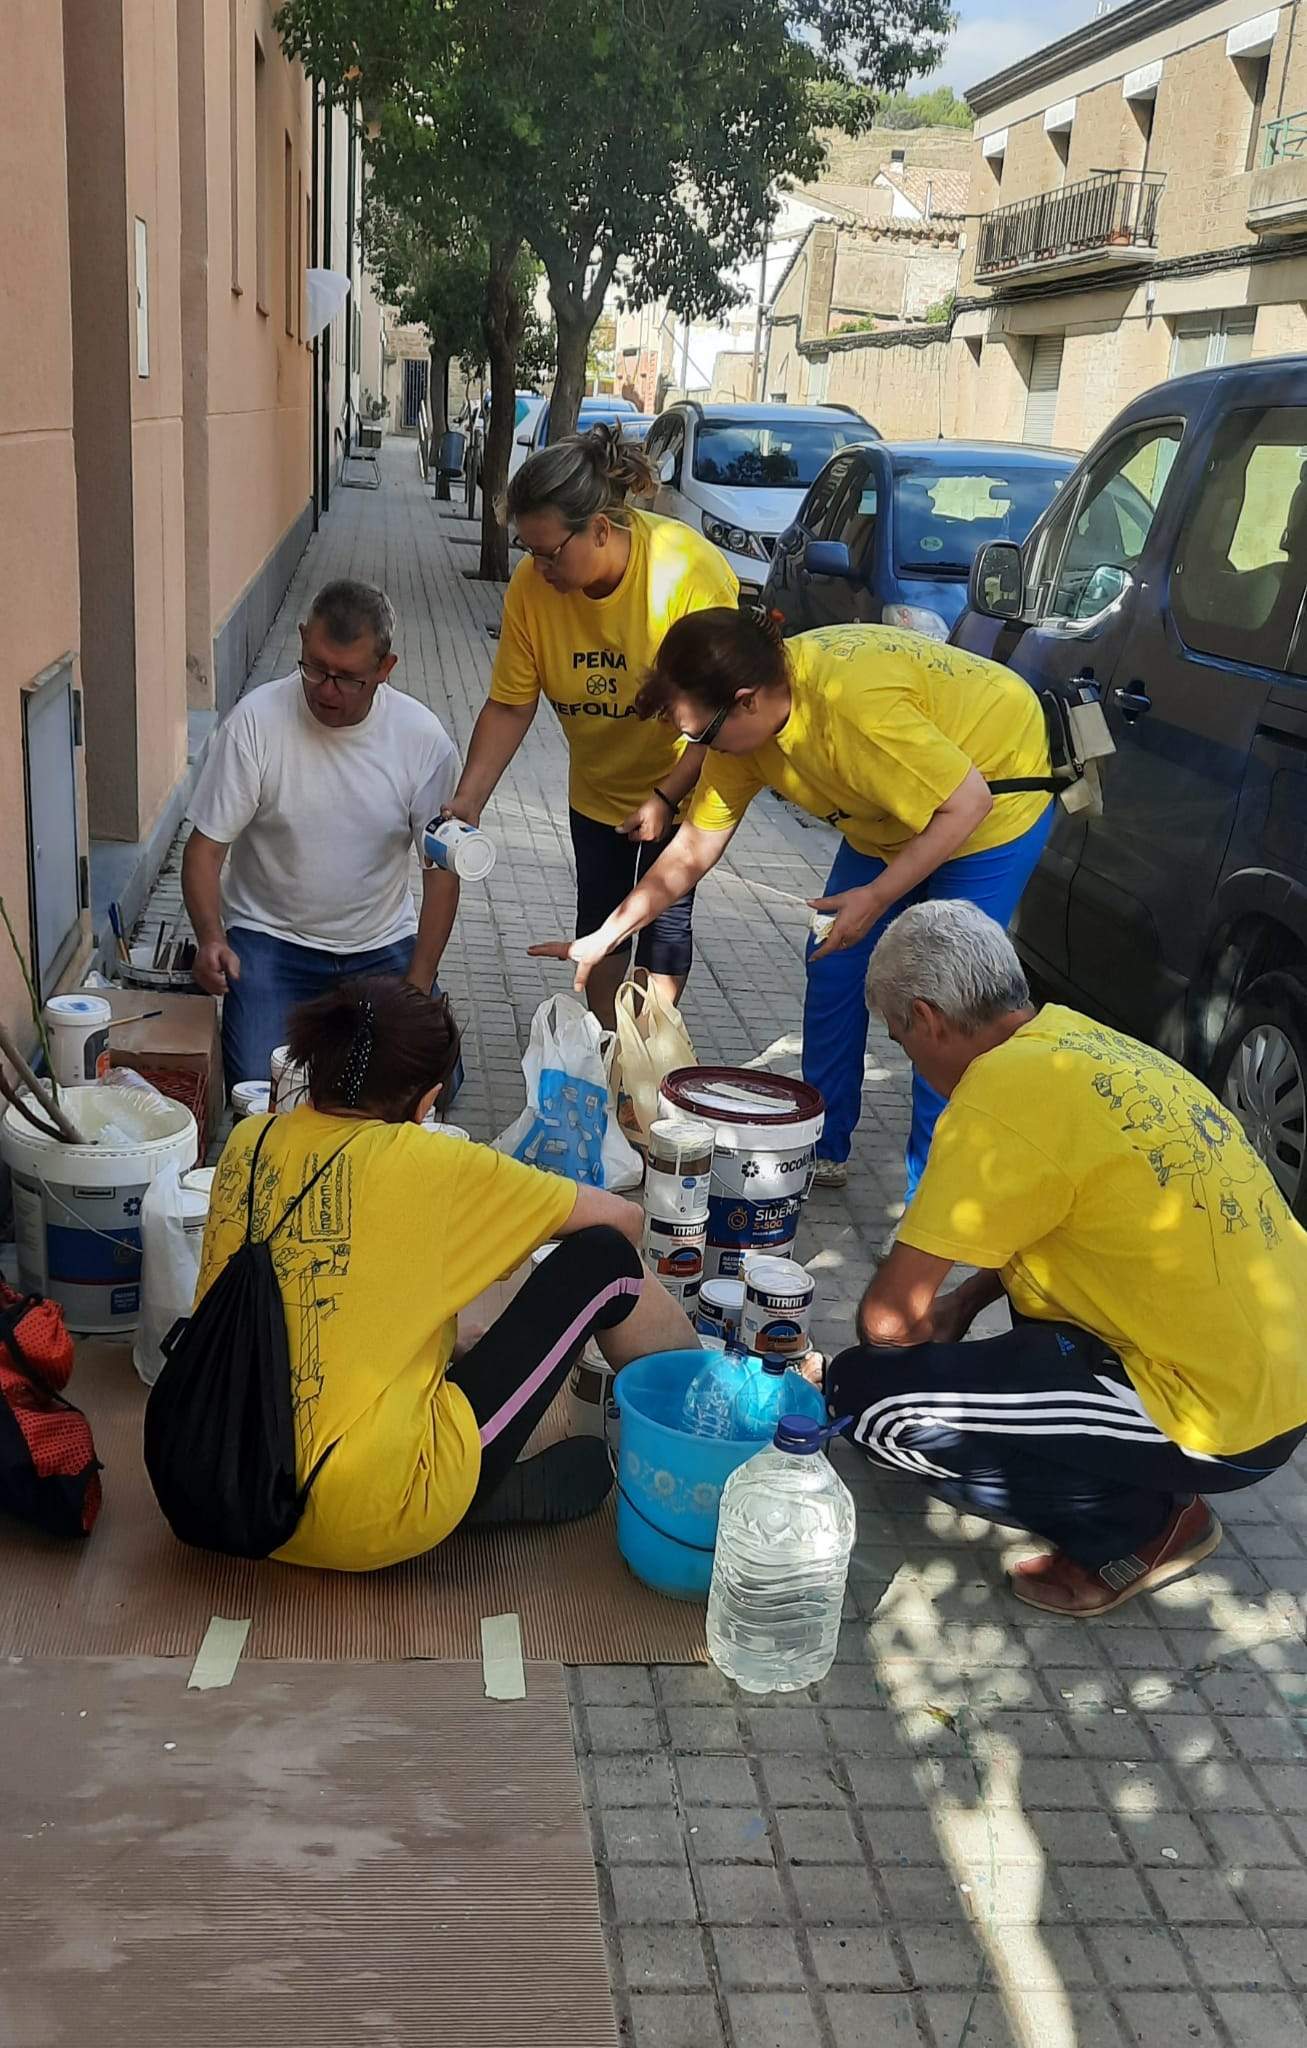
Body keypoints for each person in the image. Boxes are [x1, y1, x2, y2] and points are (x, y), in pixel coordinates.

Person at [811, 900, 1307, 1617]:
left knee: (871, 1403)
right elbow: (1055, 1215)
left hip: (1224, 1416)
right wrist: (962, 1304)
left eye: (899, 1037)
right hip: (1273, 1369)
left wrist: (915, 1351)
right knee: (1008, 1334)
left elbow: (888, 1322)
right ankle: (1136, 1472)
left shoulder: (998, 1097)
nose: (909, 1056)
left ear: (924, 1018)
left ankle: (1140, 1526)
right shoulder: (1085, 1042)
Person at [533, 612, 1054, 1195]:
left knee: (949, 1004)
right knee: (832, 962)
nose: (699, 751)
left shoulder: (853, 714)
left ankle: (935, 1188)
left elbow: (967, 803)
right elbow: (690, 853)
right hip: (888, 818)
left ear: (746, 701)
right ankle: (822, 1146)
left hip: (993, 799)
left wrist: (878, 896)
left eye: (701, 735)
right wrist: (608, 934)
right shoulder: (742, 739)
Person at [190, 974, 699, 1572]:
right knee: (607, 1262)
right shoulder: (435, 1164)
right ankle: (698, 1419)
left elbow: (305, 1284)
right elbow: (624, 1221)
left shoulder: (249, 1141)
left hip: (218, 1484)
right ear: (427, 1101)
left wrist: (453, 1339)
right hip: (363, 1514)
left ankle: (451, 1489)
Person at [446, 425, 739, 1028]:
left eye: (550, 552)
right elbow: (510, 704)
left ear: (601, 529)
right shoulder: (532, 590)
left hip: (685, 777)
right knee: (599, 928)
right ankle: (612, 1053)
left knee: (664, 930)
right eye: (529, 551)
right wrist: (468, 801)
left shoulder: (687, 574)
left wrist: (666, 795)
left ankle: (651, 1057)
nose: (539, 567)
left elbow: (725, 716)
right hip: (597, 791)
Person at [183, 578, 462, 1091]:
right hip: (270, 939)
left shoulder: (423, 741)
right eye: (314, 667)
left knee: (428, 1081)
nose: (325, 690)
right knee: (259, 1088)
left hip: (380, 944)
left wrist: (419, 985)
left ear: (385, 668)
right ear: (302, 638)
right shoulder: (254, 725)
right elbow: (204, 851)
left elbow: (441, 873)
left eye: (348, 678)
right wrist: (211, 939)